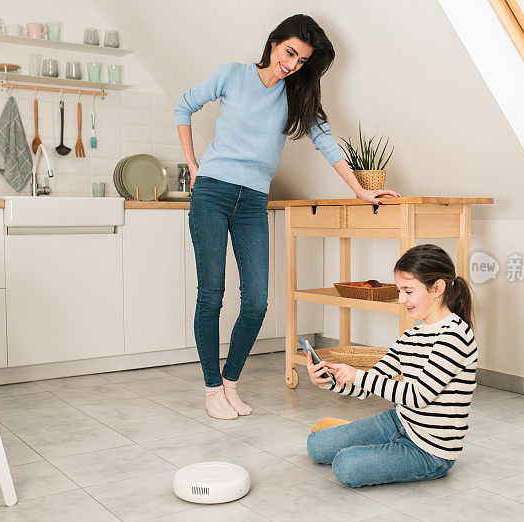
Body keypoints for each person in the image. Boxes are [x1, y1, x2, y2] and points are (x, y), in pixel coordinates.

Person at [174, 14, 400, 420]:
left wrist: (360, 190)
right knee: (211, 294)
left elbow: (325, 141)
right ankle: (211, 389)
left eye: (301, 60)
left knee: (257, 301)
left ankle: (230, 384)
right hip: (212, 193)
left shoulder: (296, 96)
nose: (292, 64)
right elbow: (184, 106)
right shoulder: (232, 75)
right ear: (274, 42)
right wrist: (193, 166)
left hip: (253, 201)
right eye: (289, 53)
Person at [306, 244, 478, 488]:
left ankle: (376, 446)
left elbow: (419, 396)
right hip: (400, 421)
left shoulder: (455, 336)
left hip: (430, 450)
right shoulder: (410, 336)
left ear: (437, 288)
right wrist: (329, 381)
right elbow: (367, 386)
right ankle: (375, 443)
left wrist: (358, 376)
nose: (401, 299)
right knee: (316, 447)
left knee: (346, 466)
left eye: (408, 291)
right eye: (399, 290)